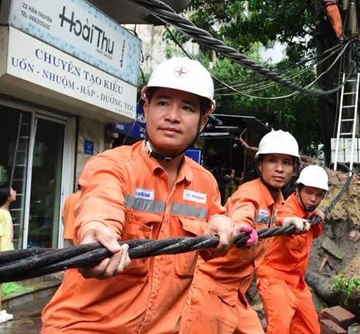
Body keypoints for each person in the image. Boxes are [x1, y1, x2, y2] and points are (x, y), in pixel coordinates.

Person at [41, 57, 249, 333]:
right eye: (163, 102)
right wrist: (96, 232)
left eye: (187, 108)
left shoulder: (205, 183)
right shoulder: (112, 164)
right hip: (84, 327)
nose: (172, 116)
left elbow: (213, 242)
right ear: (146, 107)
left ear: (203, 119)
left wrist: (223, 228)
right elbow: (100, 203)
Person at [179, 130, 301, 334]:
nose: (279, 169)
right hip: (210, 289)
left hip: (236, 293)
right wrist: (241, 228)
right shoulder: (250, 192)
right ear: (260, 165)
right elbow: (243, 213)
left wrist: (285, 221)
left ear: (294, 169)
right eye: (272, 161)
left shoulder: (276, 200)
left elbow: (266, 220)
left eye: (286, 163)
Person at [257, 165, 328, 334]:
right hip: (275, 278)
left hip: (297, 281)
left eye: (318, 195)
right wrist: (288, 222)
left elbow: (314, 234)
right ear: (298, 190)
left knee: (311, 329)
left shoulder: (308, 212)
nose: (313, 199)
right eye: (309, 192)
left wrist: (316, 218)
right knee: (280, 329)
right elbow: (279, 218)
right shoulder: (288, 209)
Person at [0, 182, 16, 324]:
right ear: (7, 196)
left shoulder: (5, 212)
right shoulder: (1, 214)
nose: (15, 192)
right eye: (12, 190)